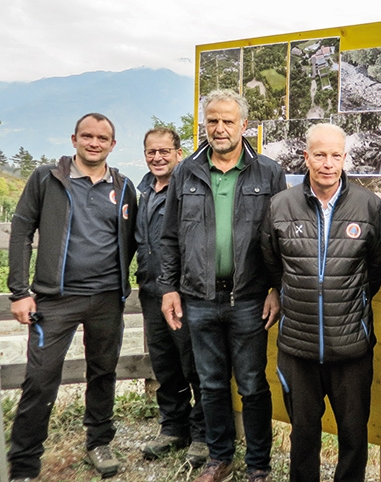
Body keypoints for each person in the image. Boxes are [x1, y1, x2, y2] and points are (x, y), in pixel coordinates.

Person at [159, 89, 286, 482]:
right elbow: (169, 236)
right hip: (199, 297)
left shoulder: (268, 172)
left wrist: (276, 288)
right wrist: (168, 287)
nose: (219, 128)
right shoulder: (186, 171)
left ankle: (259, 465)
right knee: (211, 384)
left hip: (249, 297)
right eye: (212, 121)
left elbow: (283, 237)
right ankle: (220, 458)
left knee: (251, 384)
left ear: (244, 125)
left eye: (228, 121)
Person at [6, 113, 137, 480]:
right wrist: (19, 291)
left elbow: (131, 240)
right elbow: (20, 232)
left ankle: (99, 441)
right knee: (41, 378)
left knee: (103, 372)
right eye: (87, 136)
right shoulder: (48, 179)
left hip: (108, 297)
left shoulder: (125, 187)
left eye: (102, 138)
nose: (94, 143)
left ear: (113, 145)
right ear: (74, 139)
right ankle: (25, 464)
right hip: (55, 299)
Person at [261, 122, 381, 482]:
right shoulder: (280, 206)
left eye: (336, 155)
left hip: (351, 346)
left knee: (353, 436)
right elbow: (271, 262)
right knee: (303, 435)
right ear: (306, 157)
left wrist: (351, 302)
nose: (328, 163)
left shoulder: (369, 205)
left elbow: (376, 266)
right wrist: (286, 292)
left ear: (345, 158)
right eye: (320, 154)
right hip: (298, 347)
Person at [136, 127, 208, 466]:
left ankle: (202, 434)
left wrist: (176, 286)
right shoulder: (144, 190)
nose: (158, 157)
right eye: (152, 152)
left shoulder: (187, 189)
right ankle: (172, 427)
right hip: (152, 292)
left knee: (193, 364)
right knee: (165, 365)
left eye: (165, 151)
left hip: (181, 293)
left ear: (179, 153)